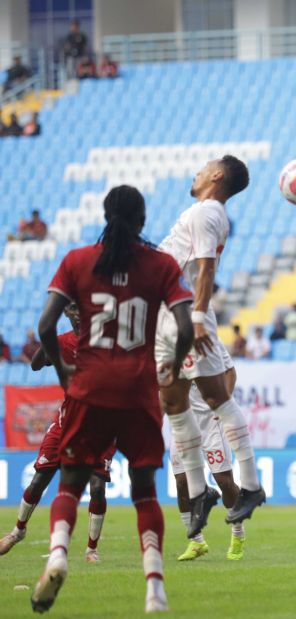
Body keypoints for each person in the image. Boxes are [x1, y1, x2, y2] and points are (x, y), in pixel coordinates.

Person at [29, 185, 194, 613]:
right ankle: (154, 587)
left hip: (90, 389)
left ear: (105, 215)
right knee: (143, 492)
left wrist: (65, 369)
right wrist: (173, 366)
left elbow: (46, 324)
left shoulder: (77, 261)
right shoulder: (161, 265)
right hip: (139, 393)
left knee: (71, 481)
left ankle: (59, 555)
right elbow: (186, 325)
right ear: (142, 220)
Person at [155, 155, 264, 539]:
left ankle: (249, 485)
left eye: (203, 167)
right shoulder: (206, 213)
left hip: (183, 315)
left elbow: (205, 269)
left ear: (216, 176)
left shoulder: (206, 213)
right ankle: (201, 493)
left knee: (215, 398)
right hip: (172, 313)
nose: (196, 170)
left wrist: (197, 318)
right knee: (174, 403)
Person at [0, 304, 113, 562]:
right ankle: (18, 531)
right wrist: (46, 337)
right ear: (66, 314)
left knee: (97, 487)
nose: (77, 311)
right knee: (39, 480)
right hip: (67, 422)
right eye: (72, 307)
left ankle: (91, 549)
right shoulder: (62, 342)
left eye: (80, 306)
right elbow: (36, 366)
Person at [171, 360, 247, 562]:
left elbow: (230, 371)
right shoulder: (164, 345)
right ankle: (196, 541)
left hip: (211, 424)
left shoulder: (206, 340)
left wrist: (226, 402)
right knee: (181, 483)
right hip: (181, 425)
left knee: (224, 481)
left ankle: (238, 534)